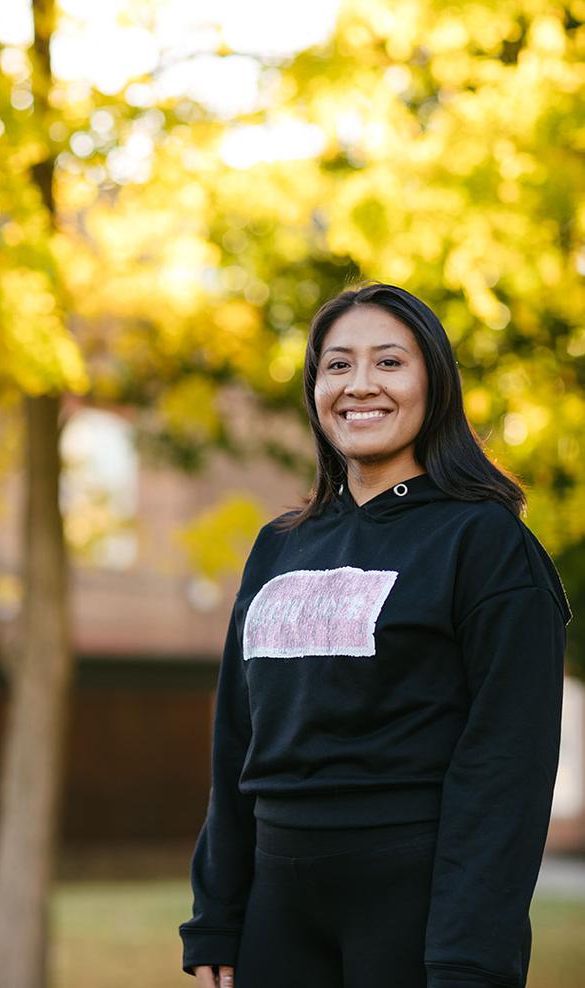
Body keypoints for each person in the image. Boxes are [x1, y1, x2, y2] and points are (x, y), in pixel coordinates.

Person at [178, 281, 572, 988]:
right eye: (338, 365)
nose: (361, 385)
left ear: (434, 385)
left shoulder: (484, 544)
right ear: (315, 388)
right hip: (278, 912)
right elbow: (237, 740)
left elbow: (506, 767)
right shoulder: (279, 546)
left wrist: (468, 956)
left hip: (416, 913)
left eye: (390, 362)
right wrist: (217, 913)